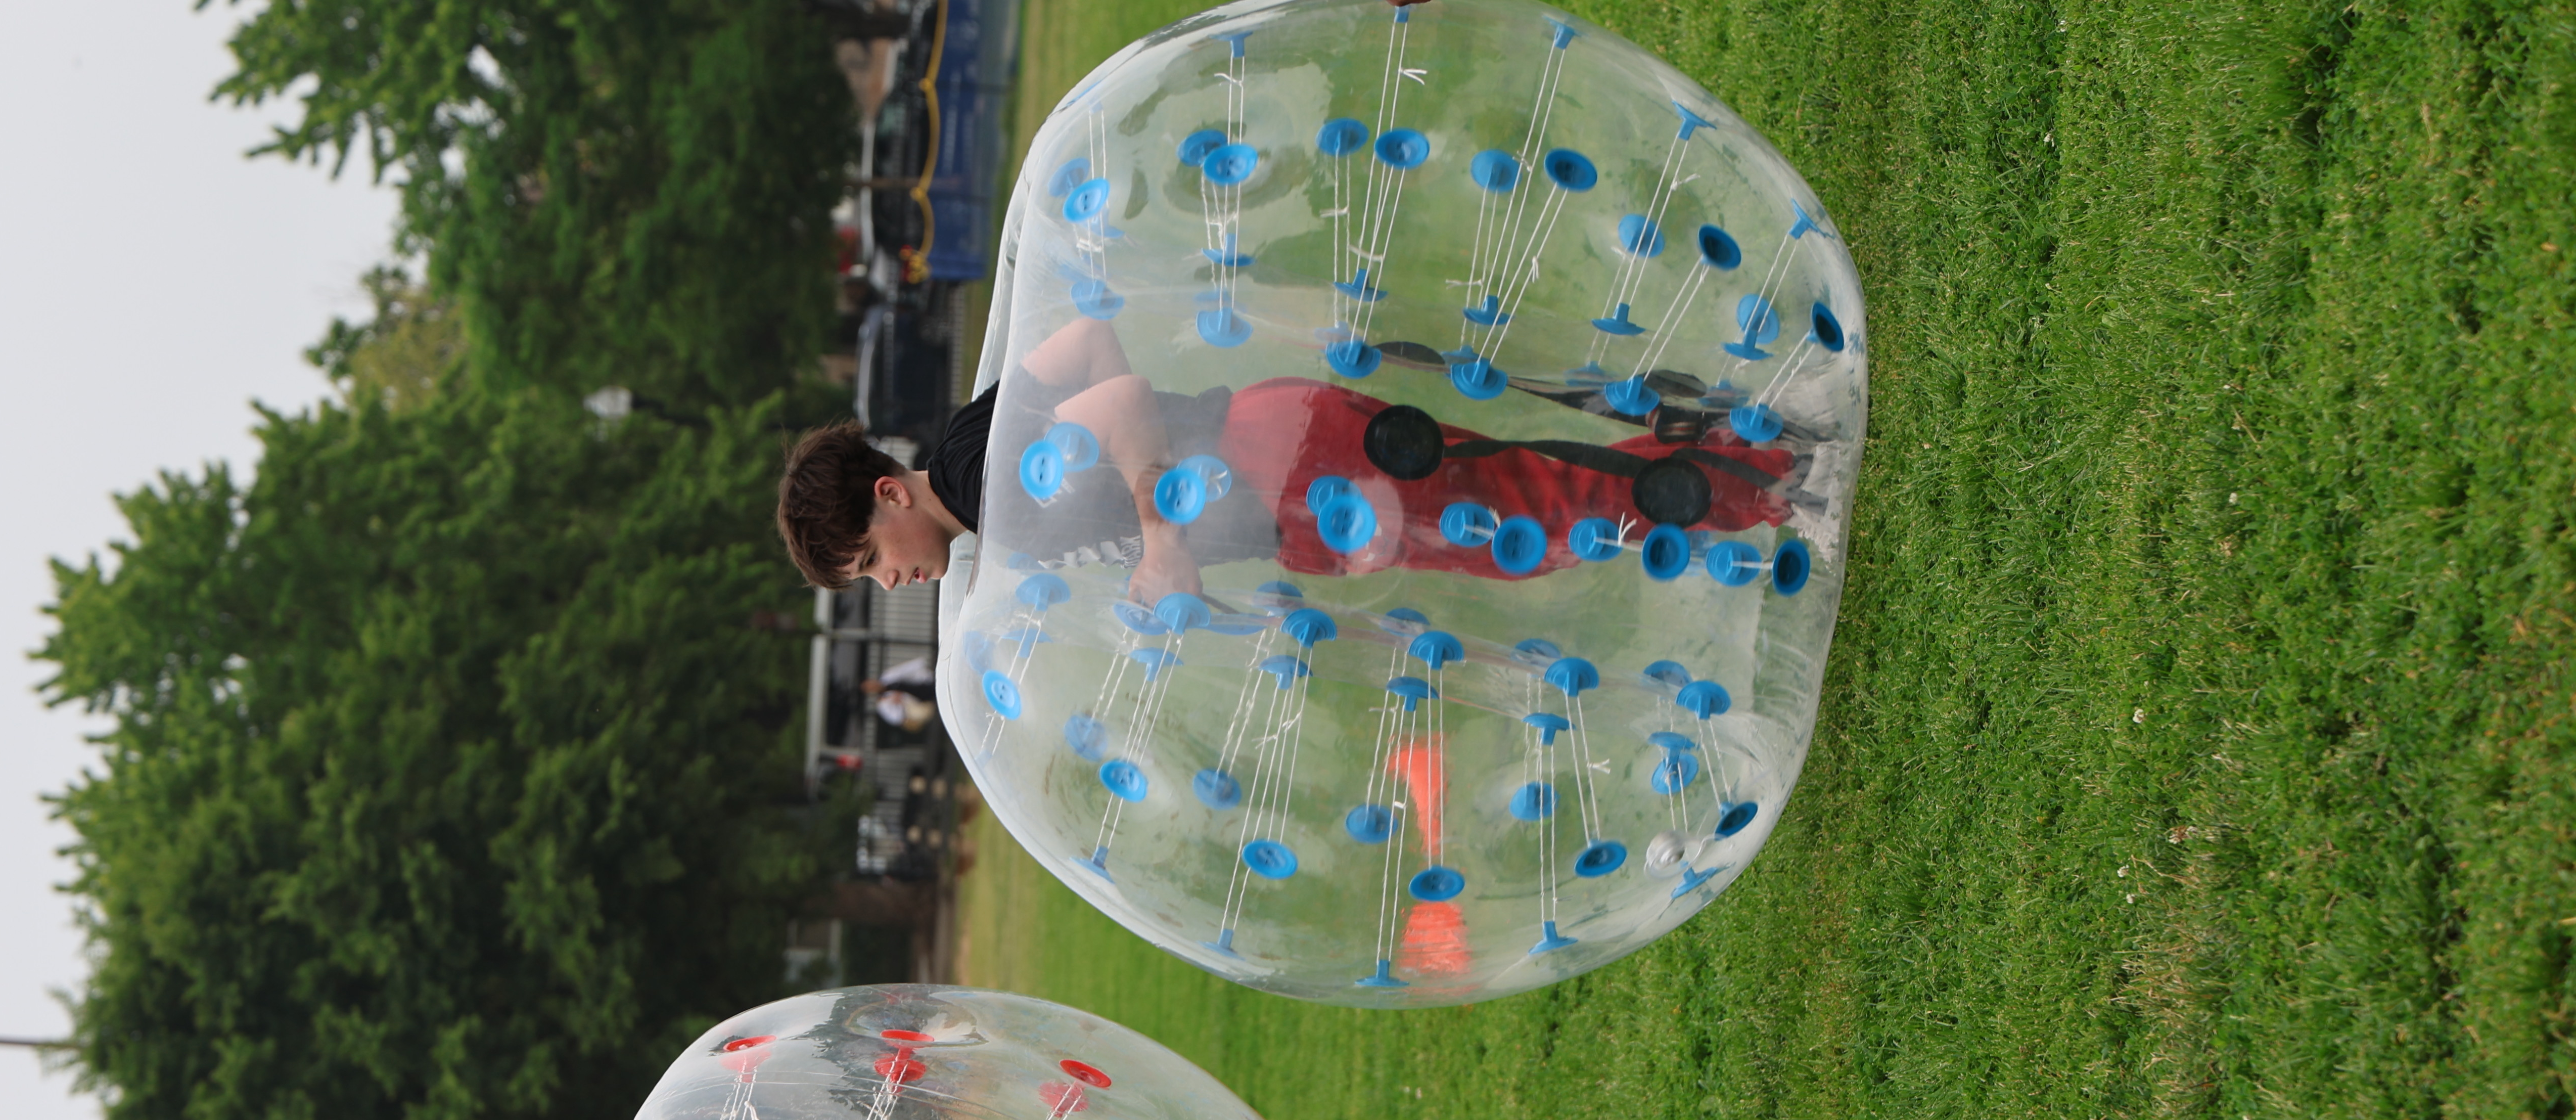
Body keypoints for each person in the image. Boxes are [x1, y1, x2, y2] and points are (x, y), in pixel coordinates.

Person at [775, 315, 1822, 608]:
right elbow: (1090, 337)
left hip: (1299, 478)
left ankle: (1775, 480)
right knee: (1525, 501)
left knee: (1532, 518)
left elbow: (1116, 395)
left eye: (869, 563)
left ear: (887, 493)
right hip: (1286, 456)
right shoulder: (972, 441)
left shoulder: (985, 491)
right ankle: (1753, 461)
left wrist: (1159, 535)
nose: (893, 584)